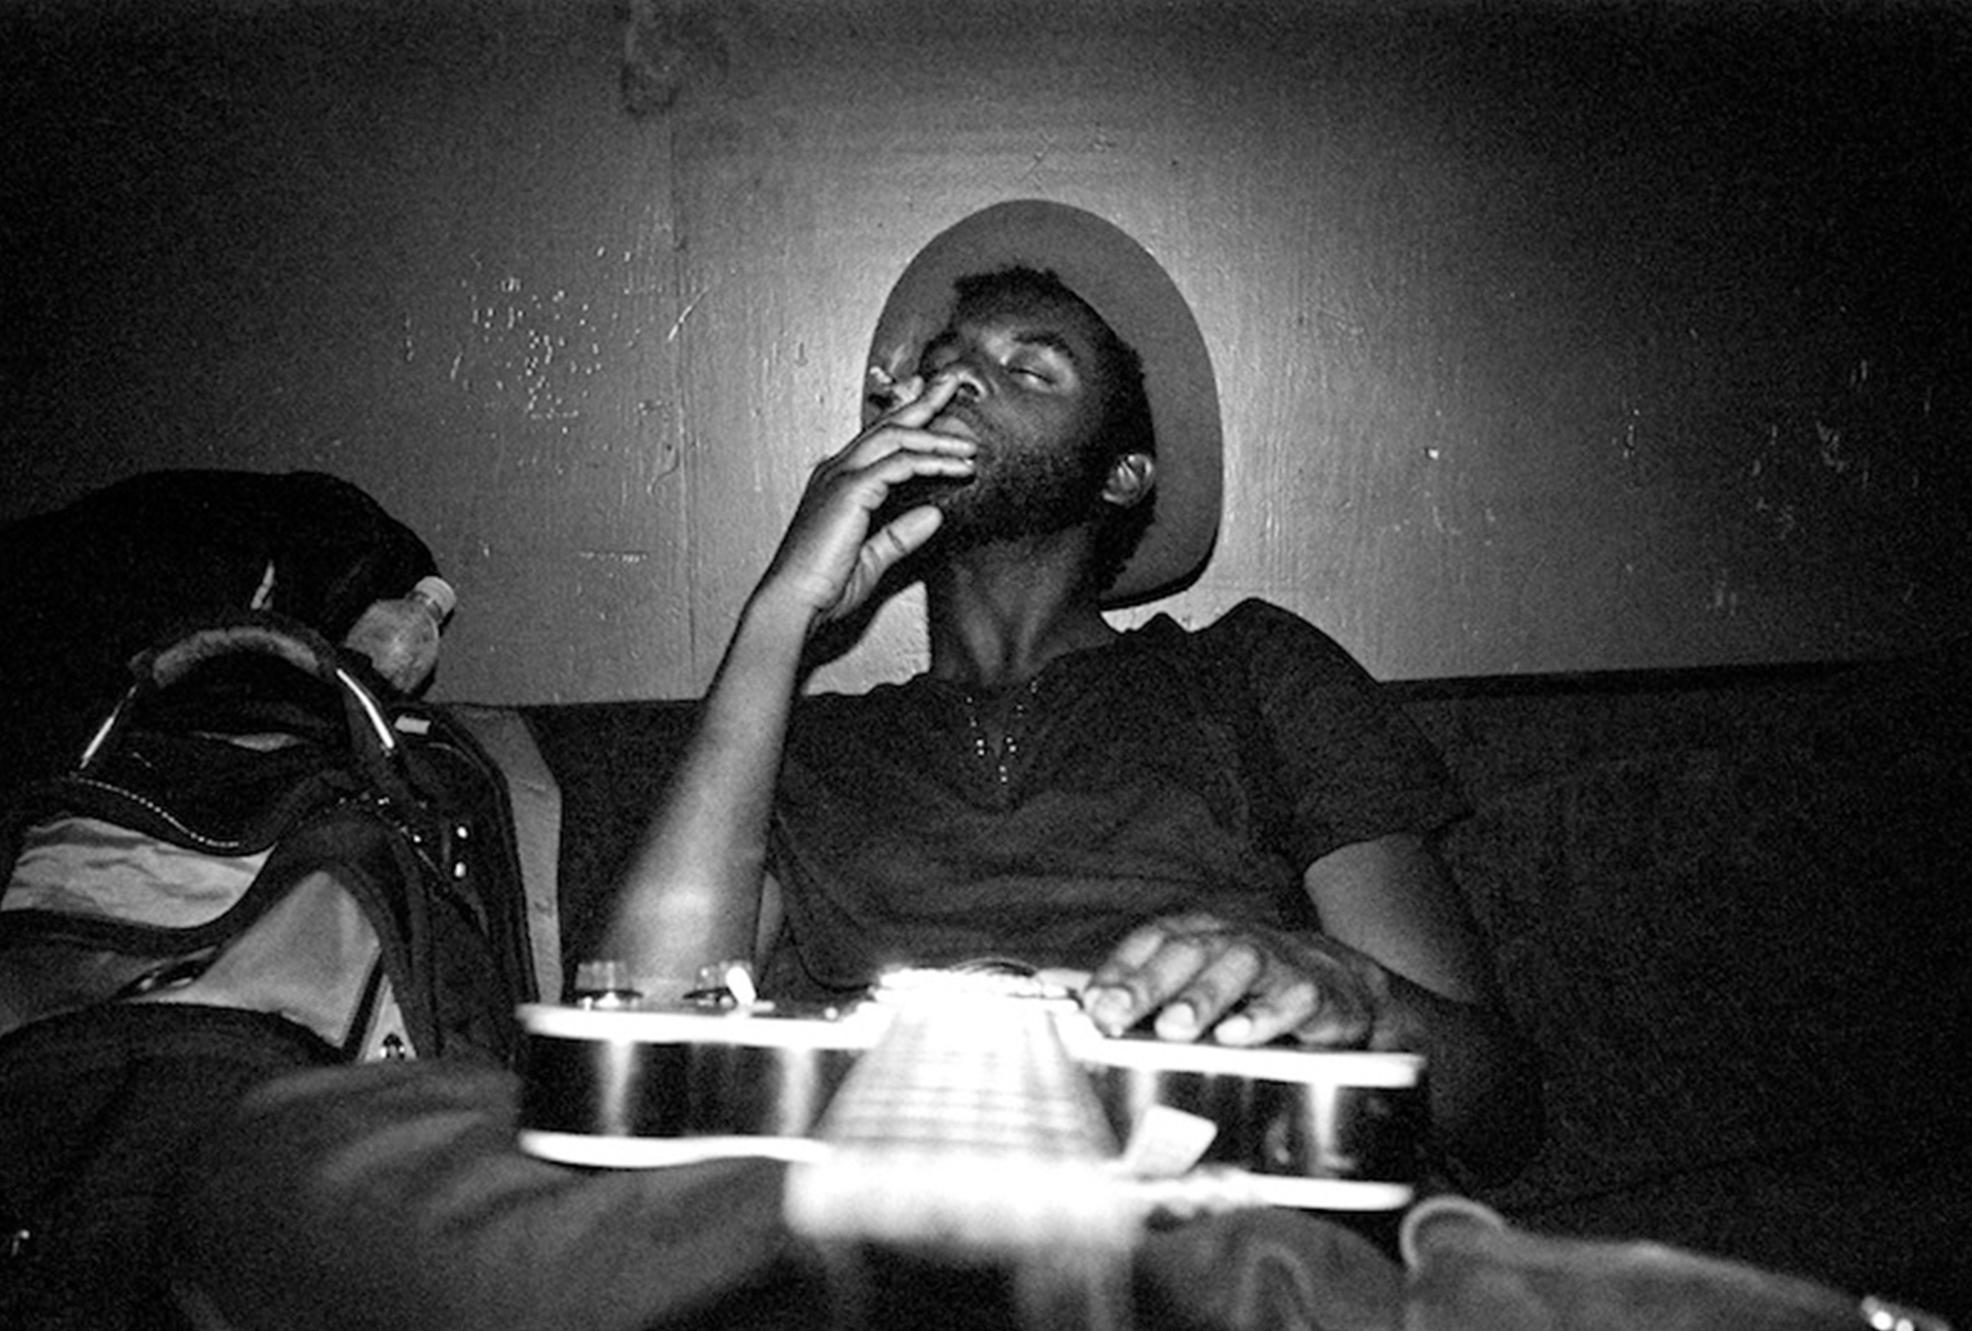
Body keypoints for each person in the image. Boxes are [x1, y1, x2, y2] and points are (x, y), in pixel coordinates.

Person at [602, 199, 1540, 1187]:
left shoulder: (1252, 673)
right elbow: (642, 1068)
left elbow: (1497, 1115)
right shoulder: (799, 743)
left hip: (1204, 1221)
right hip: (885, 1221)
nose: (958, 377)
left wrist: (1352, 991)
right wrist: (781, 609)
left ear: (1122, 474)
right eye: (944, 362)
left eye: (1030, 368)